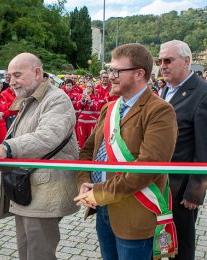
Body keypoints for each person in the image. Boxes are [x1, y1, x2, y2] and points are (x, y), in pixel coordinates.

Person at [74, 43, 178, 260]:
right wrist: (84, 181)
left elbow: (147, 169)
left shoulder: (159, 111)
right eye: (110, 70)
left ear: (139, 74)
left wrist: (100, 192)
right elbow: (87, 151)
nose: (109, 76)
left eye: (116, 71)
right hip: (103, 208)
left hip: (135, 214)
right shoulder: (109, 108)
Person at [0, 53, 79, 260]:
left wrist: (7, 148)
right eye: (9, 76)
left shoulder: (56, 98)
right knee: (26, 250)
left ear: (37, 73)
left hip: (44, 190)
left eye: (17, 75)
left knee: (39, 253)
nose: (12, 81)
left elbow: (48, 136)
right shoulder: (29, 98)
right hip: (30, 188)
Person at [159, 40, 207, 260]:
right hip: (159, 183)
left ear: (187, 61)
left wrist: (195, 191)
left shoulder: (205, 94)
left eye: (168, 60)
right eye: (160, 60)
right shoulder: (165, 89)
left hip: (181, 188)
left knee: (181, 247)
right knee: (159, 243)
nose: (162, 65)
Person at [74, 82, 101, 149]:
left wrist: (89, 101)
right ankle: (81, 154)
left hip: (91, 122)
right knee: (81, 140)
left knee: (90, 140)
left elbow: (95, 107)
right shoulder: (80, 96)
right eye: (87, 86)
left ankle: (89, 154)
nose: (88, 88)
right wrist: (82, 100)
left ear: (92, 88)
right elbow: (78, 106)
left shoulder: (95, 97)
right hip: (81, 122)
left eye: (90, 87)